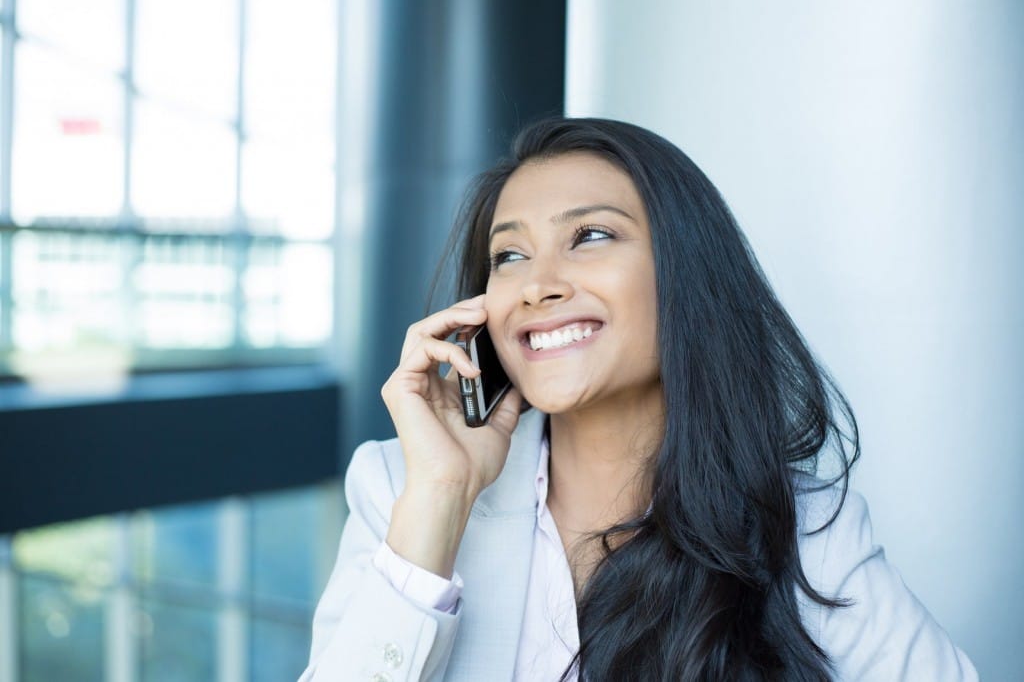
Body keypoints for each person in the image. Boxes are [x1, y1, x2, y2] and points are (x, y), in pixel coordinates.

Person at [298, 118, 977, 681]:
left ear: (684, 274)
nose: (538, 285)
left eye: (590, 236)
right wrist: (441, 498)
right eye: (510, 257)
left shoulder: (804, 526)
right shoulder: (400, 488)